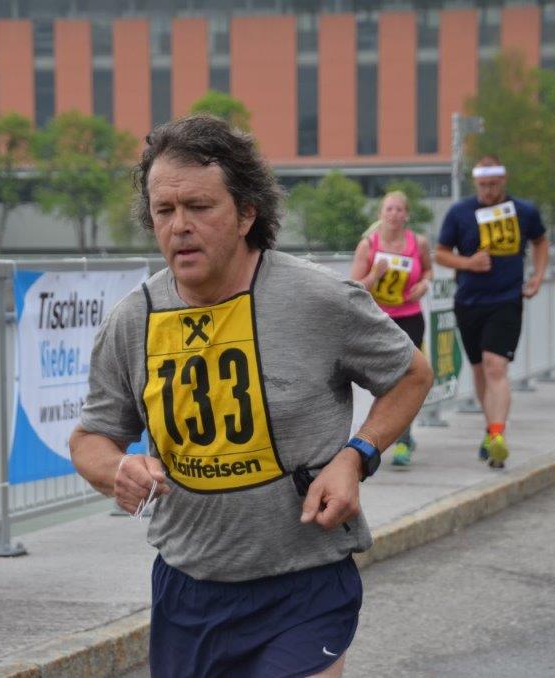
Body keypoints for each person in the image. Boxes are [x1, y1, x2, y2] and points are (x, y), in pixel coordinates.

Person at [69, 115, 432, 678]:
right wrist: (117, 468)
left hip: (304, 582)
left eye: (199, 207)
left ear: (246, 214)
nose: (179, 227)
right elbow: (91, 437)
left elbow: (411, 374)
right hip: (189, 588)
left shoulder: (318, 299)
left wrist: (356, 456)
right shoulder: (132, 320)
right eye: (164, 210)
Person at [434, 155, 549, 469]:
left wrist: (538, 276)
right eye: (483, 185)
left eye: (494, 185)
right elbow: (441, 254)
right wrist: (468, 263)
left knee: (495, 366)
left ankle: (498, 434)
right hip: (469, 302)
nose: (488, 191)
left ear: (504, 181)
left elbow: (540, 241)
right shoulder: (460, 212)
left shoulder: (524, 211)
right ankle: (490, 429)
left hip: (507, 299)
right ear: (475, 183)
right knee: (480, 371)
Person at [349, 191, 433, 467]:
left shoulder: (418, 243)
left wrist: (424, 284)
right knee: (386, 383)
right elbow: (354, 287)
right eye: (389, 209)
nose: (394, 214)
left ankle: (403, 441)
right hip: (379, 320)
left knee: (407, 380)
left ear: (406, 215)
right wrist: (375, 275)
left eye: (399, 209)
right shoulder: (368, 245)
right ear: (380, 214)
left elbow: (428, 271)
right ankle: (395, 433)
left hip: (410, 318)